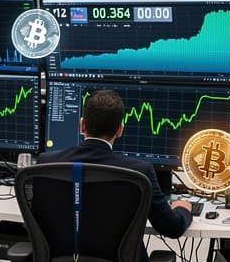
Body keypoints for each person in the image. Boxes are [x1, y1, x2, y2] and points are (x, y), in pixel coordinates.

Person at [39, 89, 194, 240]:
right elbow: (172, 228)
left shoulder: (46, 164)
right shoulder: (139, 172)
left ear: (82, 125)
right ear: (120, 130)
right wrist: (183, 208)